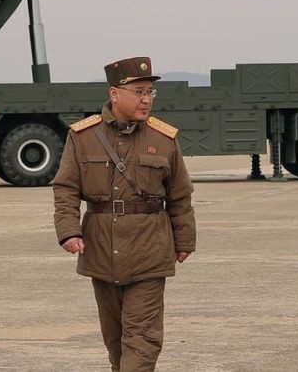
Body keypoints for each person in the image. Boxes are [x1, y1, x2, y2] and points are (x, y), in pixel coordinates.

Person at [53, 57, 197, 372]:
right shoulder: (83, 136)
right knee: (116, 341)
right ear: (114, 94)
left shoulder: (163, 139)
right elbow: (65, 188)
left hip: (150, 249)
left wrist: (184, 239)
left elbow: (180, 195)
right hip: (101, 249)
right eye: (139, 92)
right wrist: (68, 231)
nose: (146, 100)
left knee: (142, 338)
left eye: (150, 92)